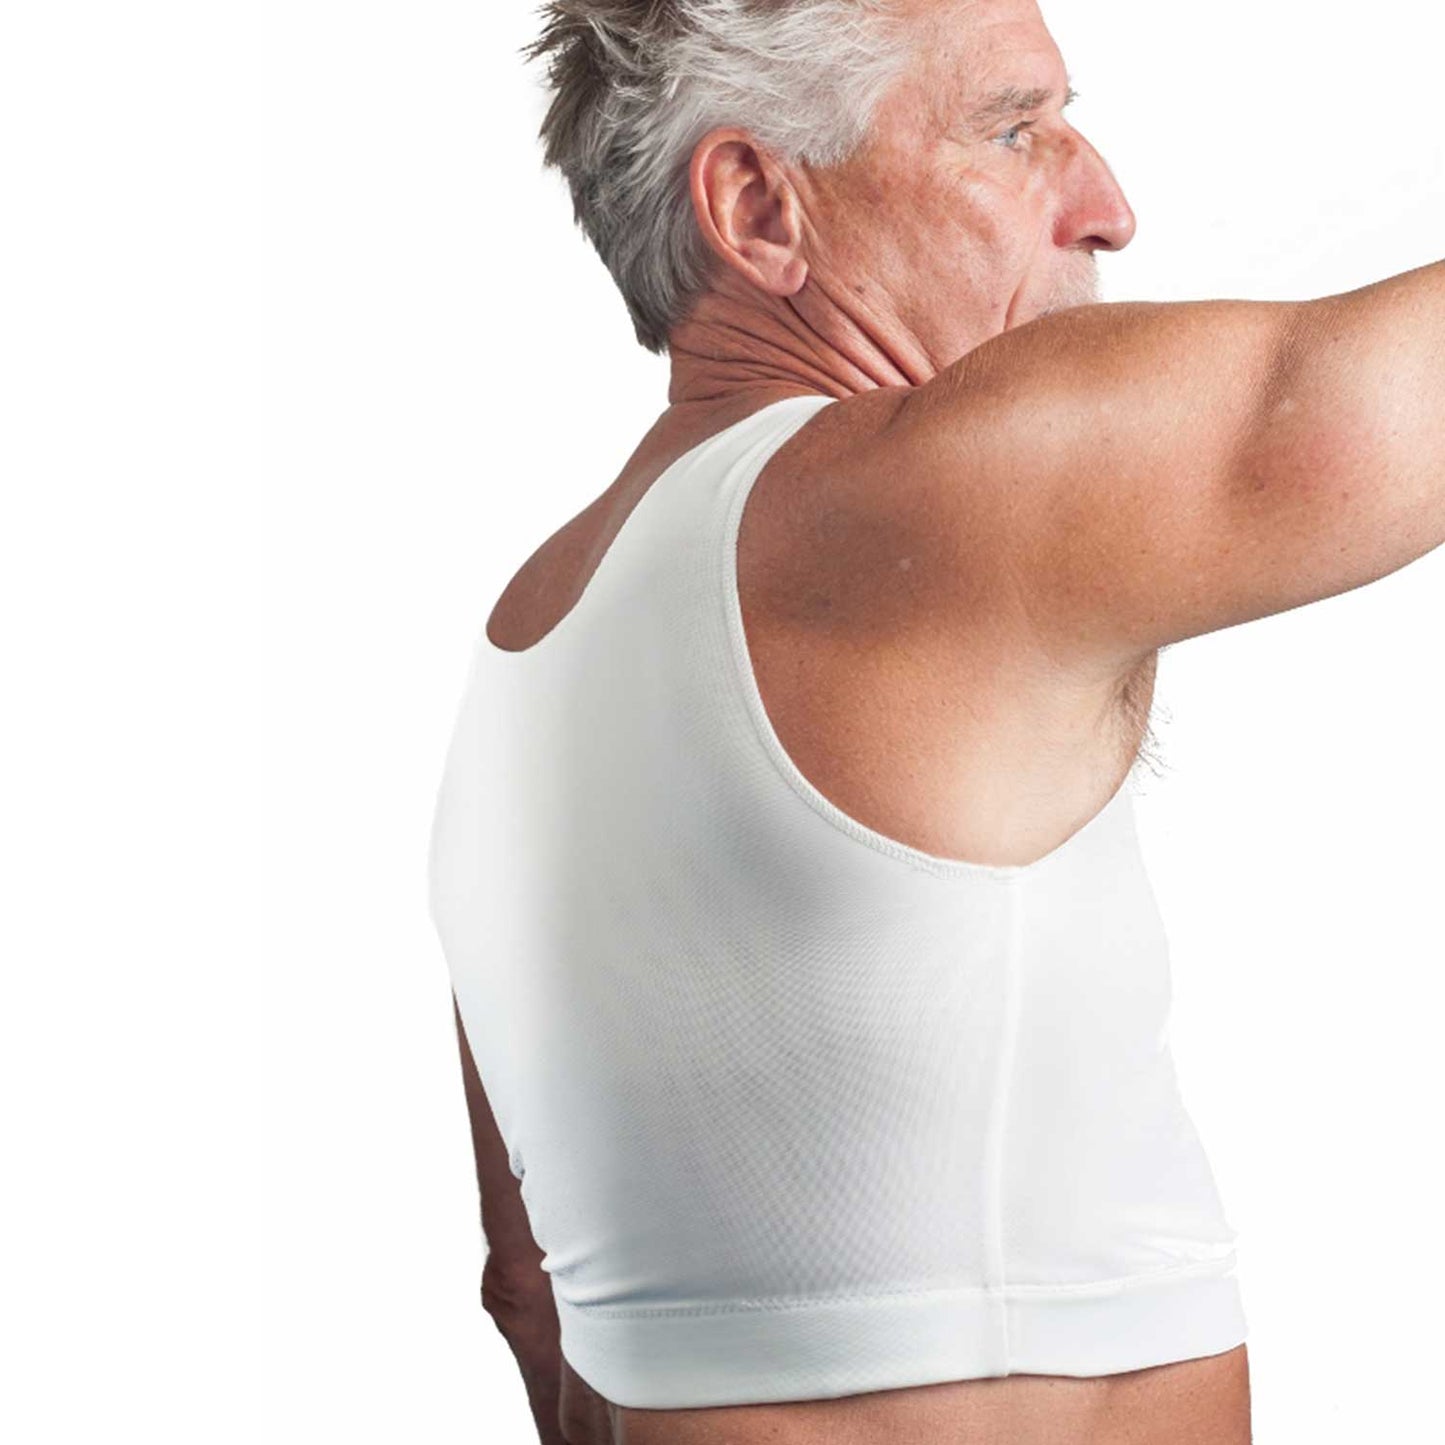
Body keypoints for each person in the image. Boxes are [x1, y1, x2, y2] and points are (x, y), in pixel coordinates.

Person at [427, 1, 1445, 1441]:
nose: (1107, 207)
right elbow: (1342, 406)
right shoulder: (896, 497)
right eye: (1013, 132)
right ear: (757, 207)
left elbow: (526, 1287)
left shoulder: (526, 638)